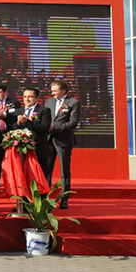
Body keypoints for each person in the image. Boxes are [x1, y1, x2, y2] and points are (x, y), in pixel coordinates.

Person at [47, 80, 80, 209]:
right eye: (52, 90)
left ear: (64, 91)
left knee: (64, 171)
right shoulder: (49, 101)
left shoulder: (73, 102)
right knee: (47, 170)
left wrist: (55, 128)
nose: (53, 93)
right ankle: (45, 198)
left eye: (55, 91)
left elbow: (73, 122)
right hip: (49, 139)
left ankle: (64, 198)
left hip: (63, 140)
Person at [7, 87, 51, 177]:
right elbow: (12, 127)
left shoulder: (44, 110)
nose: (27, 99)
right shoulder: (19, 111)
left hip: (38, 147)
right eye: (25, 97)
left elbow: (44, 128)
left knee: (39, 174)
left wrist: (28, 122)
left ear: (36, 98)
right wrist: (18, 123)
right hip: (21, 148)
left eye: (30, 97)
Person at [0, 84, 21, 187]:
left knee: (10, 157)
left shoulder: (14, 102)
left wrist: (4, 115)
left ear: (6, 92)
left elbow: (16, 115)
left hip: (9, 133)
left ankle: (12, 179)